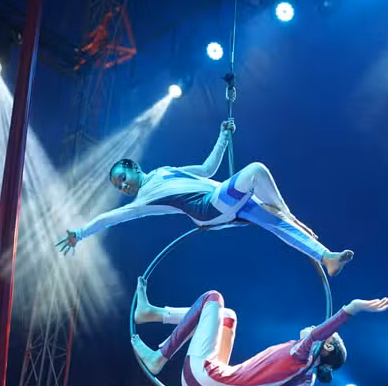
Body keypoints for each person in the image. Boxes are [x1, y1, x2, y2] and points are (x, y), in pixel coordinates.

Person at [57, 118, 354, 277]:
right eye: (117, 186)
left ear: (133, 167)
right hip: (209, 209)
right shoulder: (141, 202)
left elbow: (207, 168)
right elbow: (110, 218)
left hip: (220, 199)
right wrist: (80, 233)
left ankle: (325, 256)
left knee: (273, 221)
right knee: (255, 171)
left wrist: (223, 136)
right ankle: (292, 218)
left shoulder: (165, 171)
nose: (121, 187)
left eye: (122, 178)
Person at [130, 276, 388, 386]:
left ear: (327, 345)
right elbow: (304, 385)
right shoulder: (304, 377)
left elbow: (316, 335)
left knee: (213, 298)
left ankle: (158, 357)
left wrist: (350, 309)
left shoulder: (300, 358)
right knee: (227, 317)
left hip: (205, 382)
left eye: (325, 335)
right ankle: (151, 314)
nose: (314, 326)